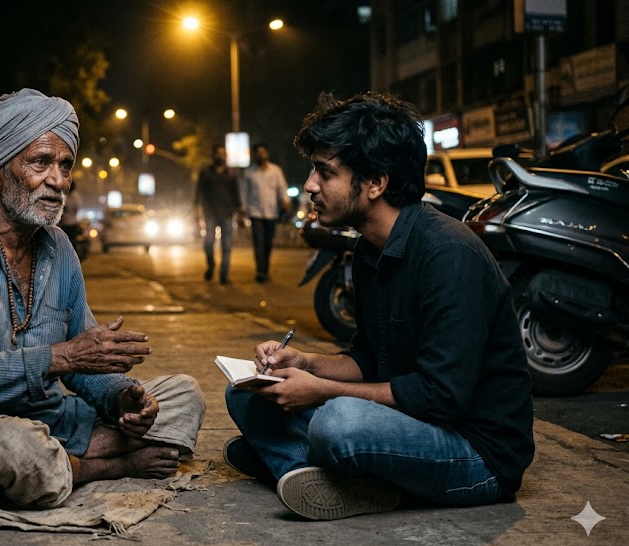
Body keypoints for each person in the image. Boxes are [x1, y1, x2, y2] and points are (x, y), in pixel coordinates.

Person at [223, 91, 534, 521]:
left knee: (338, 423)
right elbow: (370, 358)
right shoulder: (370, 250)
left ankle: (303, 465)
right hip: (414, 425)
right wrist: (306, 362)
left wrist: (322, 391)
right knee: (247, 394)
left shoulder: (449, 254)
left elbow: (441, 398)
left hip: (476, 454)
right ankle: (330, 478)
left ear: (375, 183)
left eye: (325, 172)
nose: (311, 185)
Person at [0, 88, 205, 511]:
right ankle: (105, 465)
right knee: (16, 450)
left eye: (65, 165)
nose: (57, 181)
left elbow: (85, 362)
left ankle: (73, 459)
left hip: (48, 420)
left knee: (183, 395)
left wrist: (122, 398)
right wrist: (61, 358)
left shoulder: (59, 246)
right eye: (40, 163)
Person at [239, 142, 290, 283]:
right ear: (254, 155)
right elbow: (244, 192)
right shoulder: (249, 172)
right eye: (258, 152)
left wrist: (285, 202)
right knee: (258, 242)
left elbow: (282, 189)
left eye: (263, 152)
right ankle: (260, 271)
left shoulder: (276, 171)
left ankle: (265, 269)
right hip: (255, 213)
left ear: (267, 154)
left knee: (268, 243)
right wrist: (243, 209)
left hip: (271, 212)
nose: (261, 155)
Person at [194, 144, 241, 284]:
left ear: (225, 156)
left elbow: (236, 194)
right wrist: (196, 209)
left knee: (226, 246)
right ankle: (211, 266)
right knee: (208, 242)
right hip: (210, 213)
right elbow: (198, 192)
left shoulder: (231, 173)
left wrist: (239, 210)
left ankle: (224, 274)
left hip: (227, 213)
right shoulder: (205, 172)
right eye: (217, 153)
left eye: (222, 153)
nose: (220, 156)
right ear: (213, 155)